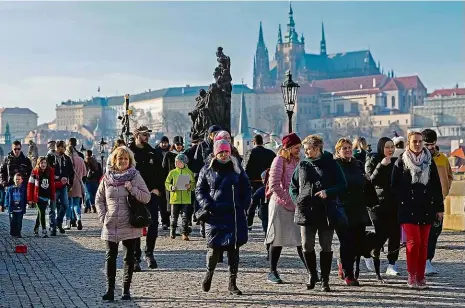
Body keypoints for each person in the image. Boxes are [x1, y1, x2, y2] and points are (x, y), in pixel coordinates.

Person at [289, 135, 347, 292]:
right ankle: (312, 274)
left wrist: (328, 192)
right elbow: (293, 186)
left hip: (326, 210)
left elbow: (343, 185)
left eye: (309, 149)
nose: (306, 152)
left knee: (325, 245)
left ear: (318, 149)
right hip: (306, 211)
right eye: (305, 149)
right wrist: (298, 200)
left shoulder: (331, 164)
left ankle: (325, 280)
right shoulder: (302, 165)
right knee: (307, 245)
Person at [196, 139, 251, 295]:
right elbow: (200, 191)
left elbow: (246, 188)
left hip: (234, 214)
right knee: (214, 250)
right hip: (215, 215)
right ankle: (209, 273)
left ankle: (232, 283)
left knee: (234, 251)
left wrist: (244, 204)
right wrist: (209, 205)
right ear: (215, 153)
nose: (224, 154)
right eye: (221, 151)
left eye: (226, 151)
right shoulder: (207, 169)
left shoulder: (237, 168)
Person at [96, 146, 151, 301]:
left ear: (130, 161)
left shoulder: (135, 176)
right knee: (110, 257)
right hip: (111, 222)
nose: (123, 161)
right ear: (114, 160)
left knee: (128, 258)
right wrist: (103, 217)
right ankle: (110, 289)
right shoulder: (107, 177)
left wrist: (132, 189)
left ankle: (126, 290)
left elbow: (146, 197)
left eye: (126, 159)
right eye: (120, 158)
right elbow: (99, 199)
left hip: (129, 222)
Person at [391, 131, 444, 289]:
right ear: (409, 143)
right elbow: (394, 186)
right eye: (414, 141)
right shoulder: (401, 161)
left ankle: (421, 277)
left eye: (420, 141)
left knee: (424, 245)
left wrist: (439, 208)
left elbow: (436, 186)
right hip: (408, 208)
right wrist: (406, 196)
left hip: (426, 207)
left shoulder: (429, 161)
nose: (418, 144)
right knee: (414, 243)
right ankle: (412, 275)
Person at [264, 133, 307, 285]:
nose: (298, 150)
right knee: (277, 239)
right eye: (296, 147)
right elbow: (275, 184)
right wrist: (289, 199)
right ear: (288, 148)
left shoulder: (298, 161)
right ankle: (272, 271)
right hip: (280, 205)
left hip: (295, 205)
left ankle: (312, 271)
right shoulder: (279, 160)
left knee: (301, 240)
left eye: (299, 147)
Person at [334, 138, 370, 286]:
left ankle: (343, 264)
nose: (348, 150)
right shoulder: (335, 166)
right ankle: (349, 274)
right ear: (338, 151)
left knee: (358, 243)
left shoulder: (358, 164)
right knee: (346, 242)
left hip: (359, 208)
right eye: (344, 148)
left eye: (349, 147)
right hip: (342, 209)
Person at [129, 126, 164, 271]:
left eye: (147, 135)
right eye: (144, 135)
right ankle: (135, 257)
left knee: (153, 225)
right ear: (136, 135)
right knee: (136, 225)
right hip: (134, 194)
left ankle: (149, 252)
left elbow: (160, 172)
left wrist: (158, 190)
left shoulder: (153, 152)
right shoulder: (129, 152)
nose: (146, 137)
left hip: (150, 193)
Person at [365, 137, 401, 278]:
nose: (390, 150)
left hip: (394, 203)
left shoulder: (397, 161)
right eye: (387, 147)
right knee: (382, 233)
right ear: (381, 148)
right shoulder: (373, 160)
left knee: (395, 234)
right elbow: (371, 180)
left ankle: (392, 264)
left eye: (392, 147)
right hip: (377, 205)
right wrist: (381, 165)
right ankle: (367, 251)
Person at [422, 129, 453, 276]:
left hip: (438, 201)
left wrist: (444, 191)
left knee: (435, 232)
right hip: (421, 202)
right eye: (427, 144)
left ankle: (428, 260)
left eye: (432, 144)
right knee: (422, 234)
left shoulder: (442, 159)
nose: (430, 147)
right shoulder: (418, 158)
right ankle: (422, 261)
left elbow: (449, 176)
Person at [243, 134, 276, 228]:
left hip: (253, 182)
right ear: (263, 142)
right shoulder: (270, 153)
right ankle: (265, 221)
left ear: (254, 142)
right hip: (267, 183)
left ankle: (249, 222)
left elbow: (244, 168)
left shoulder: (250, 152)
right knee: (265, 204)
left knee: (252, 204)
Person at [165, 153, 195, 240]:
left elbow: (193, 184)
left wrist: (190, 186)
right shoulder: (172, 172)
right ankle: (172, 232)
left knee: (185, 218)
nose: (176, 163)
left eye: (178, 162)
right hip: (175, 198)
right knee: (174, 217)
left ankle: (185, 234)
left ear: (184, 163)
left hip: (186, 199)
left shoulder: (189, 172)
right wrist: (171, 187)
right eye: (175, 162)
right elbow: (167, 183)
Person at [27, 157, 56, 238]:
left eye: (45, 163)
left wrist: (52, 195)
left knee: (40, 213)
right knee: (42, 212)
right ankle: (44, 230)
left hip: (46, 196)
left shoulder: (50, 172)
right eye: (42, 163)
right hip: (38, 196)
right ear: (38, 164)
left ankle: (36, 228)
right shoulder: (34, 172)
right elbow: (30, 185)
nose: (43, 164)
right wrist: (29, 199)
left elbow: (52, 183)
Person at [50, 141, 74, 235]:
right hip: (54, 185)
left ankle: (58, 222)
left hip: (63, 186)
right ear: (58, 147)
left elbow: (71, 172)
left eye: (65, 147)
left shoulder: (67, 159)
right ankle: (53, 227)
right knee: (52, 207)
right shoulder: (51, 157)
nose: (64, 149)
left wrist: (69, 183)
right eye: (63, 147)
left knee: (65, 205)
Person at [65, 145, 87, 230]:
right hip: (78, 183)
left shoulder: (67, 160)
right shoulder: (81, 159)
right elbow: (85, 173)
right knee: (76, 204)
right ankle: (79, 219)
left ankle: (70, 221)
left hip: (69, 183)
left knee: (69, 204)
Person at [155, 135, 171, 230]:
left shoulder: (170, 152)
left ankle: (168, 221)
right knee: (161, 203)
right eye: (163, 142)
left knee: (169, 202)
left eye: (166, 142)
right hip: (160, 180)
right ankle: (164, 222)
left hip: (169, 179)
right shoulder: (156, 152)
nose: (164, 144)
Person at [5, 173, 27, 237]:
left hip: (20, 209)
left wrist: (28, 202)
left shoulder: (23, 188)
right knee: (12, 222)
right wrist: (6, 204)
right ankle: (13, 233)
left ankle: (18, 233)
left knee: (19, 222)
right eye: (16, 179)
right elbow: (7, 197)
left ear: (21, 180)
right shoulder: (10, 188)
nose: (17, 181)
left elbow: (25, 197)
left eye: (19, 179)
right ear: (14, 180)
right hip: (12, 209)